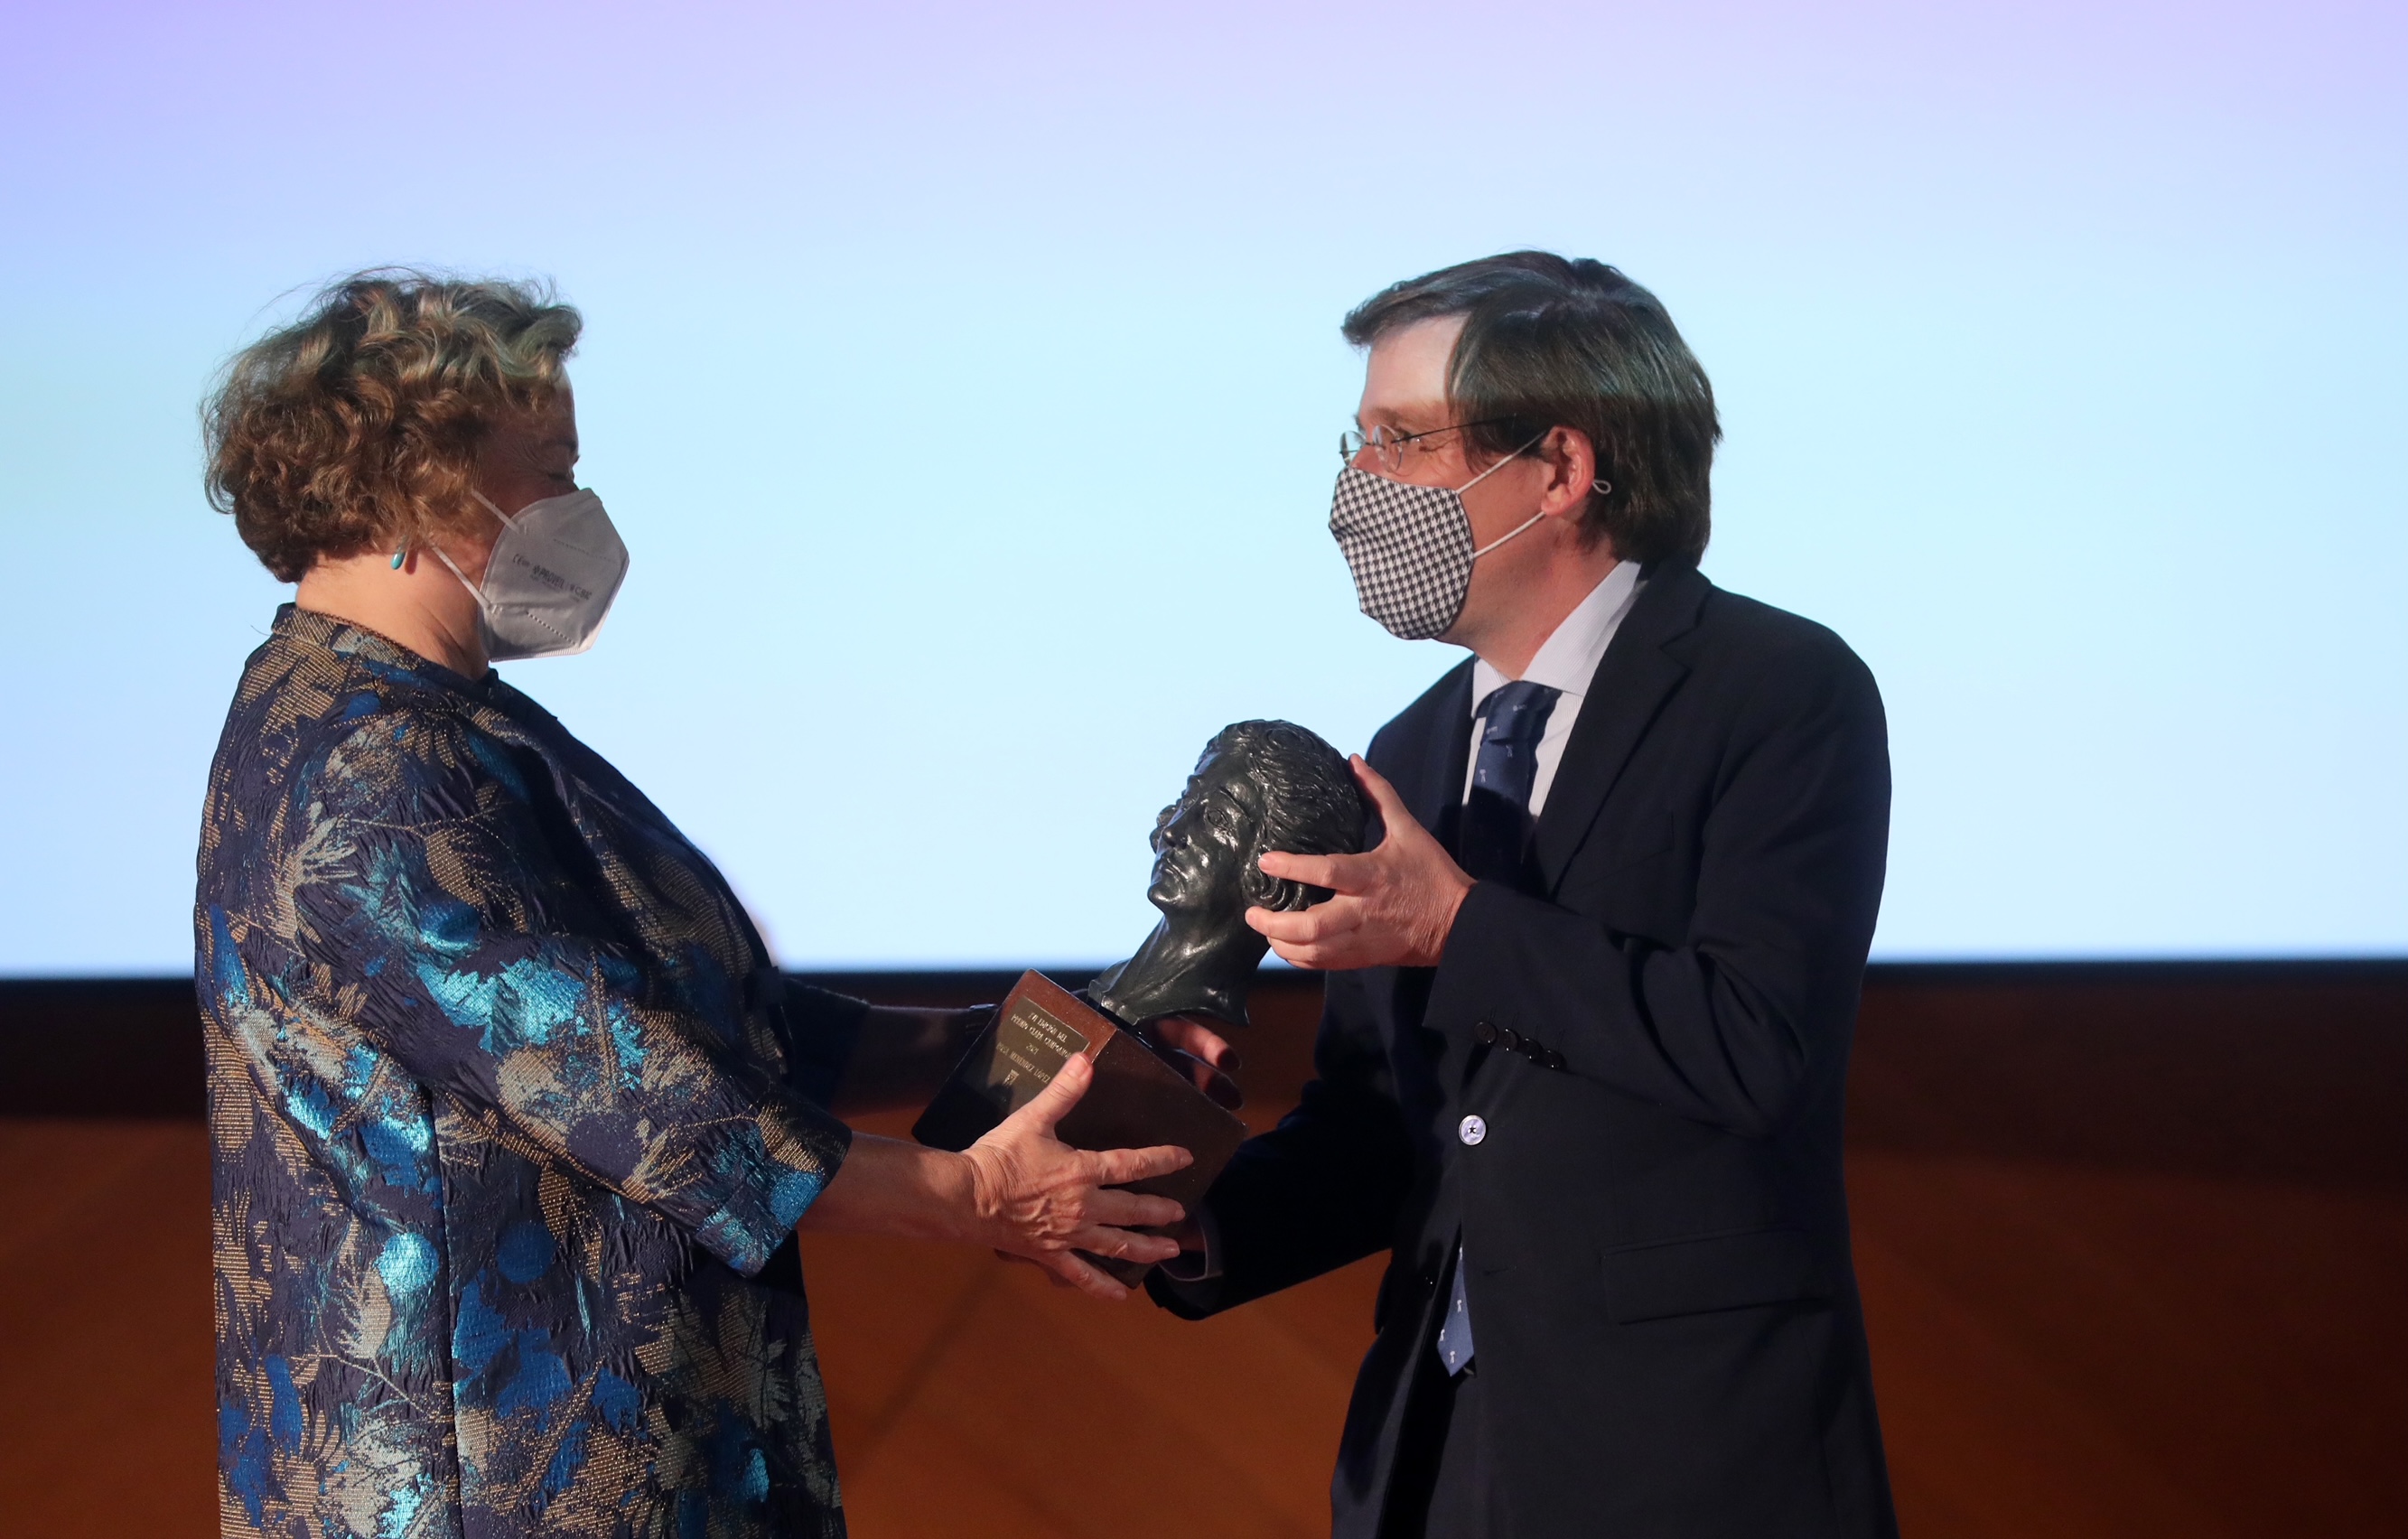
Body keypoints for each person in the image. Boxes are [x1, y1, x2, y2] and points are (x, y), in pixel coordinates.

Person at [194, 271, 1199, 1539]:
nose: (580, 508)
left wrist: (1017, 1040)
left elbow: (705, 1016)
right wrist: (972, 1198)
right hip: (489, 1481)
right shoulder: (372, 765)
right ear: (420, 485)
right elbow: (624, 1082)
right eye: (553, 469)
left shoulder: (428, 718)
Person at [1148, 253, 1899, 1538]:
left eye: (1399, 441)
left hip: (1692, 1459)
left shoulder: (1776, 690)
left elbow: (1756, 1047)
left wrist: (1455, 925)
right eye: (1355, 441)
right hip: (1436, 1461)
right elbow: (1389, 1131)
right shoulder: (1416, 745)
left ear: (1557, 469)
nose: (1351, 492)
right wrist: (1173, 1222)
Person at [1090, 719, 1368, 1031]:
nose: (1173, 831)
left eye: (1216, 819)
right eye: (1187, 800)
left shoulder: (1211, 1023)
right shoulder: (1113, 984)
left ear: (1272, 880)